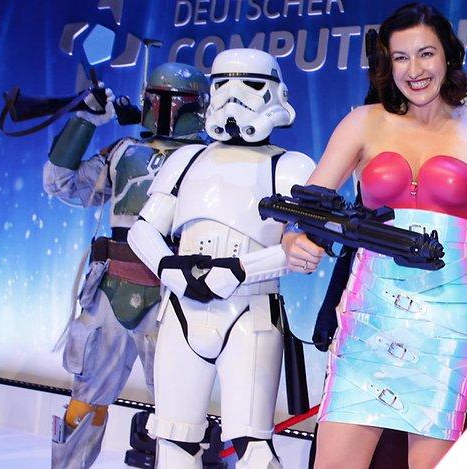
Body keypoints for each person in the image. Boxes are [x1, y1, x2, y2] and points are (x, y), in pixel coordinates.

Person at [282, 3, 467, 467]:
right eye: (401, 57)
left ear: (448, 56)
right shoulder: (363, 121)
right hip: (370, 314)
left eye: (426, 54)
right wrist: (293, 239)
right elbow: (305, 207)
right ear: (386, 65)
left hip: (449, 319)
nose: (415, 70)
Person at [128, 48, 315, 468]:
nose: (234, 97)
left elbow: (304, 251)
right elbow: (143, 229)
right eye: (223, 85)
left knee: (254, 447)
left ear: (275, 92)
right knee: (173, 441)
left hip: (251, 311)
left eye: (250, 85)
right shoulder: (187, 159)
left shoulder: (291, 167)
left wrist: (241, 270)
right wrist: (172, 270)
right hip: (182, 309)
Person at [44, 62, 209, 469]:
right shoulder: (123, 153)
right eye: (159, 99)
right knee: (86, 402)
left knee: (178, 414)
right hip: (111, 293)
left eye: (174, 101)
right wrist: (85, 121)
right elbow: (60, 183)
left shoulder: (210, 161)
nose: (166, 109)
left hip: (176, 300)